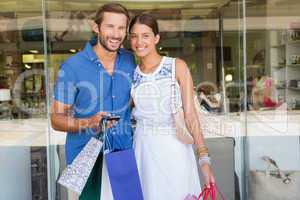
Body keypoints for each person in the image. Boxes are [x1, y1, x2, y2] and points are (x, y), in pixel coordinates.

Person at [51, 3, 136, 200]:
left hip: (123, 155)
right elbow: (56, 119)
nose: (116, 34)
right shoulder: (72, 67)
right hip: (85, 160)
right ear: (96, 27)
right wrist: (88, 122)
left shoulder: (130, 61)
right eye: (110, 26)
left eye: (121, 28)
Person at [129, 13, 215, 199]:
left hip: (175, 149)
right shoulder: (131, 75)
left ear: (156, 38)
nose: (139, 41)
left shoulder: (177, 66)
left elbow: (191, 116)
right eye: (134, 36)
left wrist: (204, 160)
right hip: (143, 151)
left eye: (146, 35)